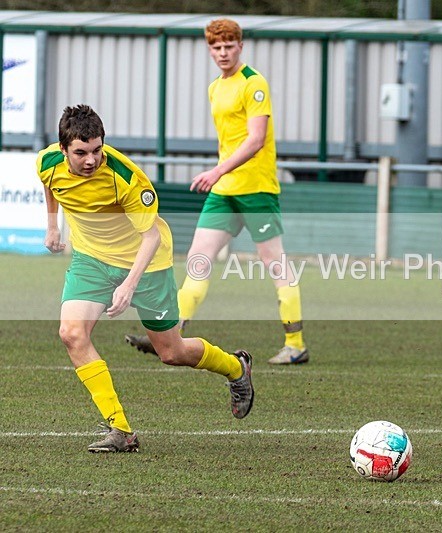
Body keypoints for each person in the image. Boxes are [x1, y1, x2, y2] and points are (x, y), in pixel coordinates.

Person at [39, 105, 255, 453]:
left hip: (147, 264)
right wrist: (52, 226)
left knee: (171, 352)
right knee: (71, 333)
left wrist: (128, 285)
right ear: (63, 149)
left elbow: (151, 236)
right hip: (92, 261)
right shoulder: (47, 162)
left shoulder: (126, 178)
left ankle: (236, 367)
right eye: (81, 153)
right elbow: (50, 185)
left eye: (97, 150)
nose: (91, 160)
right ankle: (120, 430)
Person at [125, 18, 307, 364]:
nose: (223, 53)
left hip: (256, 189)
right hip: (224, 190)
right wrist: (221, 174)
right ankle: (172, 336)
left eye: (229, 46)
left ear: (240, 46)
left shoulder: (254, 83)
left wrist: (217, 169)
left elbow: (256, 139)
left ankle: (296, 344)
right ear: (210, 50)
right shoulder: (215, 88)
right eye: (216, 47)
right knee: (198, 259)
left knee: (275, 263)